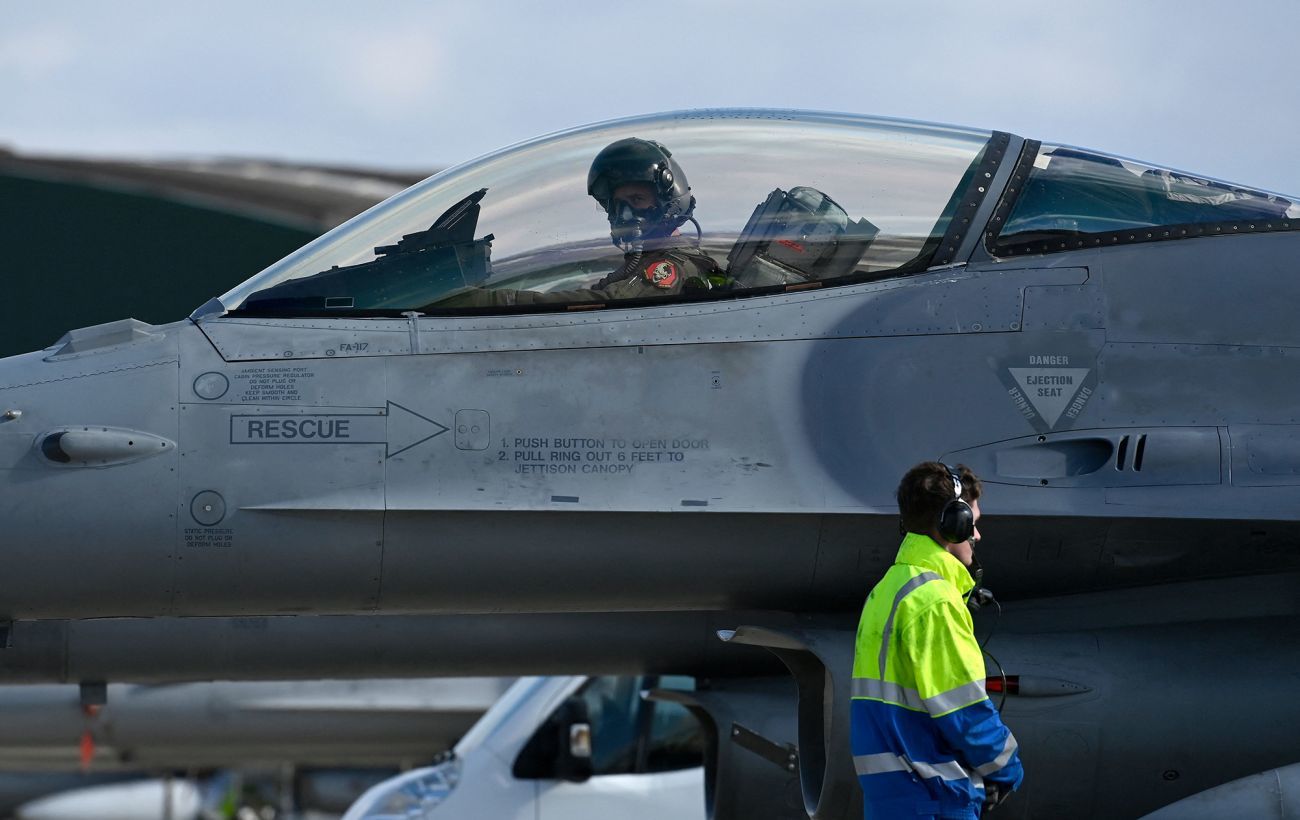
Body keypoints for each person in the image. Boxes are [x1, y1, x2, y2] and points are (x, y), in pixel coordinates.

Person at [850, 462, 1023, 819]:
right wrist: (1007, 771)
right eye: (972, 523)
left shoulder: (885, 592)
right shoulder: (934, 601)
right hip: (934, 800)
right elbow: (963, 711)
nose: (977, 536)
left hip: (891, 802)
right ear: (953, 524)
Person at [441, 138, 723, 307]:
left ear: (668, 200)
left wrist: (490, 302)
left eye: (636, 199)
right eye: (617, 204)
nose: (624, 213)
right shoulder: (642, 262)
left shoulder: (671, 266)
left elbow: (607, 304)